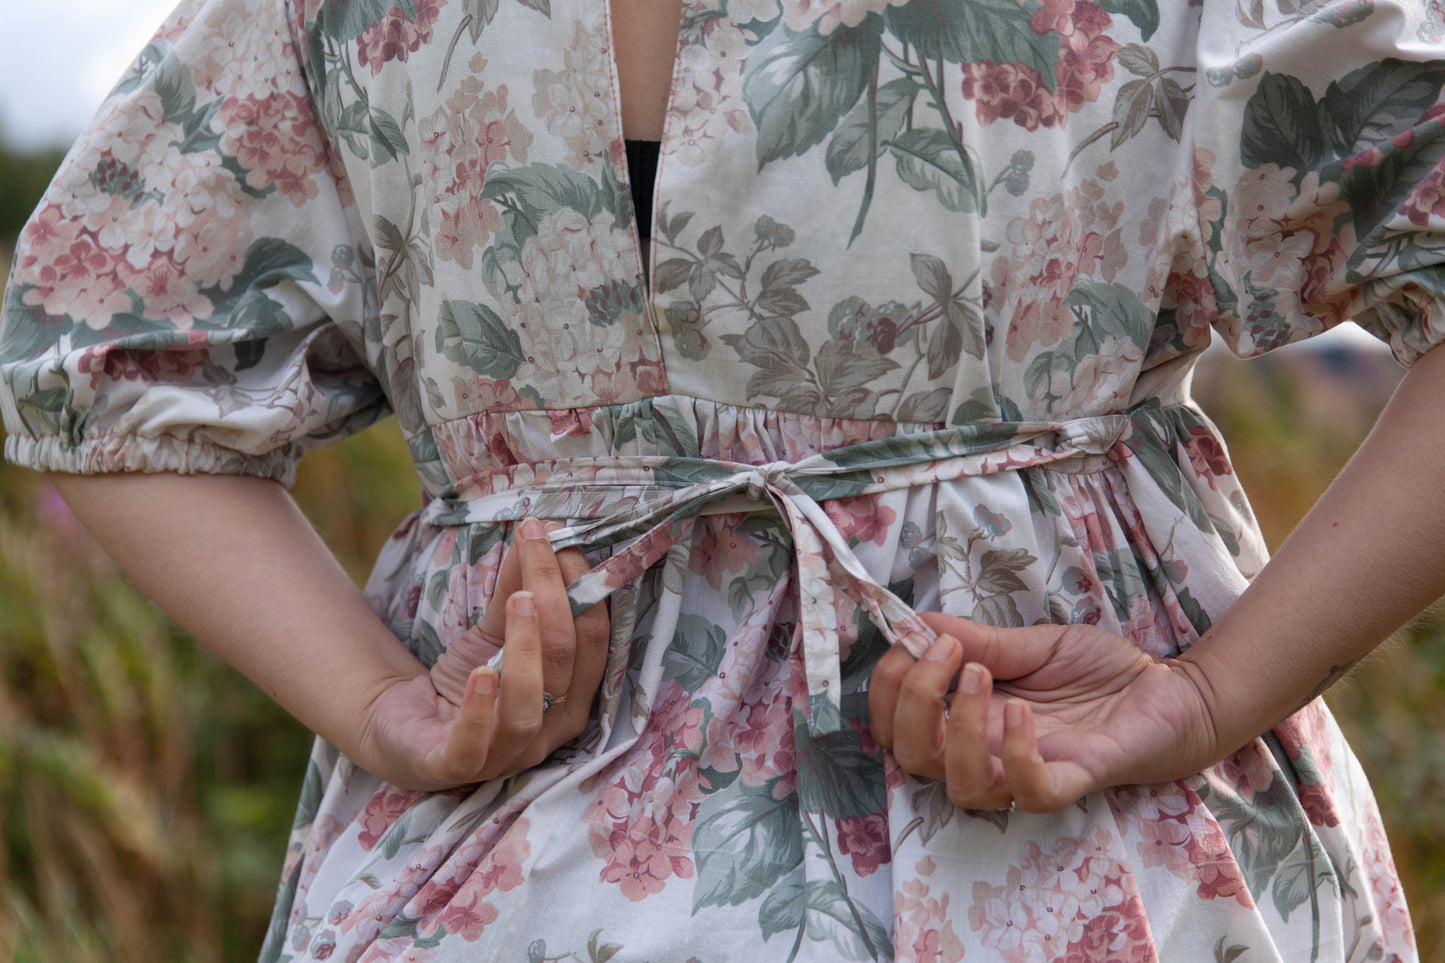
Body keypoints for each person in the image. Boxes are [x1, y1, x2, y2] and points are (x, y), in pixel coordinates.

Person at [1, 0, 1439, 957]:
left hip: (499, 883)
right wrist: (1200, 693)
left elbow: (95, 361)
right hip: (1092, 850)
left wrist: (382, 707)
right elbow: (96, 364)